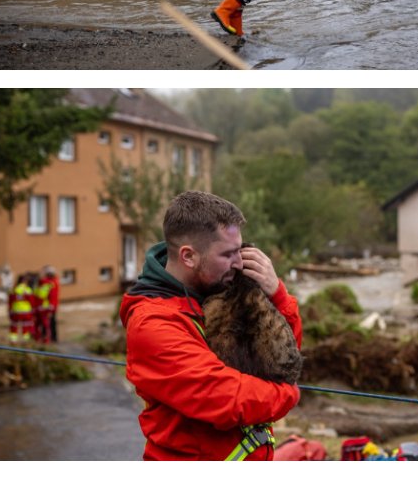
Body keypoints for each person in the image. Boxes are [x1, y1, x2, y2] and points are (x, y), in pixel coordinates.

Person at [119, 190, 302, 460]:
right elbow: (226, 398)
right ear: (188, 256)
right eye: (228, 254)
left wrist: (277, 294)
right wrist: (289, 394)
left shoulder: (219, 287)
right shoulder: (153, 324)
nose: (239, 263)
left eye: (240, 251)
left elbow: (282, 356)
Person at [8, 273, 38, 344]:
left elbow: (10, 302)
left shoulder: (14, 290)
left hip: (16, 312)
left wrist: (10, 311)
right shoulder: (27, 290)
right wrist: (33, 311)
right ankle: (26, 341)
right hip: (26, 312)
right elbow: (32, 302)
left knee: (14, 326)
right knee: (26, 326)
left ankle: (13, 340)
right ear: (25, 281)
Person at [35, 266, 60, 343]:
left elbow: (40, 282)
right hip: (53, 306)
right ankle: (53, 338)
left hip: (47, 307)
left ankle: (47, 338)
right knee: (52, 323)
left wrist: (41, 272)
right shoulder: (55, 281)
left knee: (46, 323)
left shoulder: (47, 282)